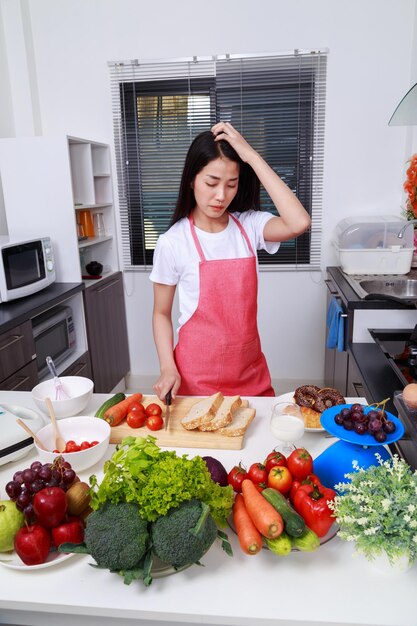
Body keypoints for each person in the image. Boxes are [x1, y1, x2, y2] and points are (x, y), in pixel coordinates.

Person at [150, 121, 311, 401]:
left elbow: (299, 222)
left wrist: (251, 156)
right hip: (195, 378)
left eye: (231, 184)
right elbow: (161, 313)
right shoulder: (172, 242)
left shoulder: (249, 226)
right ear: (192, 180)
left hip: (249, 375)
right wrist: (167, 367)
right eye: (211, 183)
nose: (221, 195)